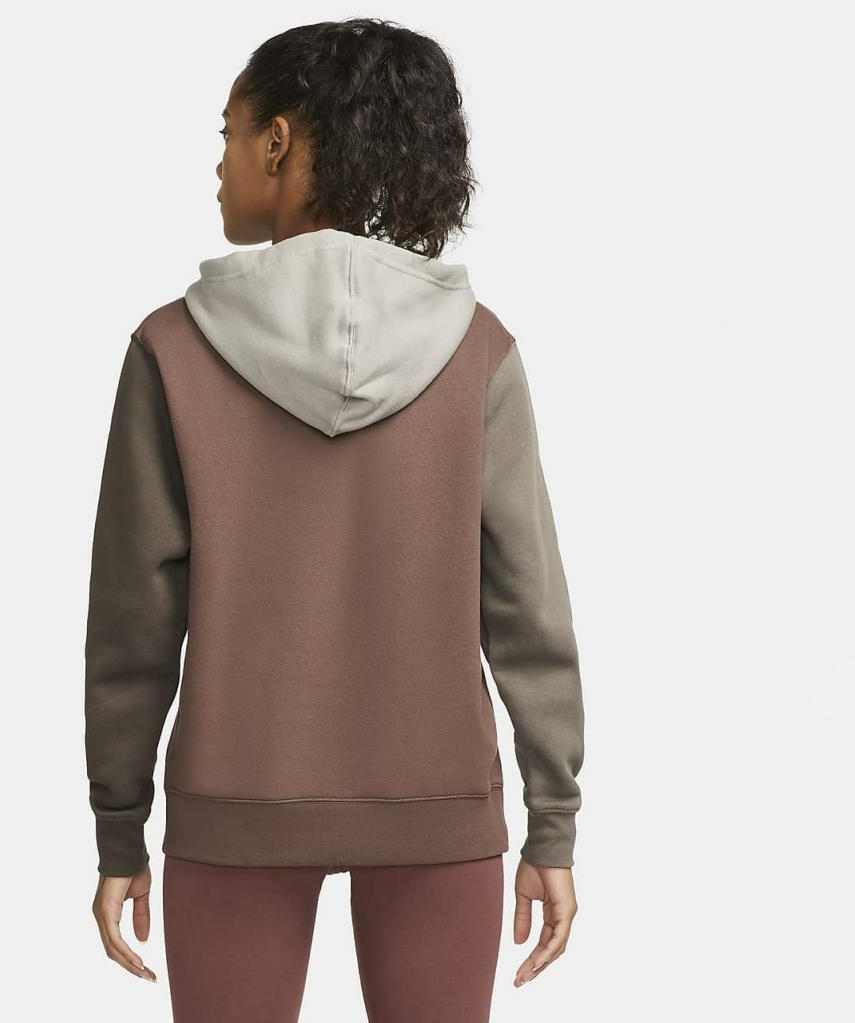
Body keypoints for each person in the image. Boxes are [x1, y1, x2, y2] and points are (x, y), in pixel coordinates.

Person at [84, 18, 585, 1023]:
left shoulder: (172, 350)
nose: (218, 164)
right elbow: (527, 604)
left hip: (234, 810)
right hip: (439, 809)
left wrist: (120, 828)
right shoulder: (477, 348)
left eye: (228, 135)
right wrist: (552, 824)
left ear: (277, 142)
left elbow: (133, 622)